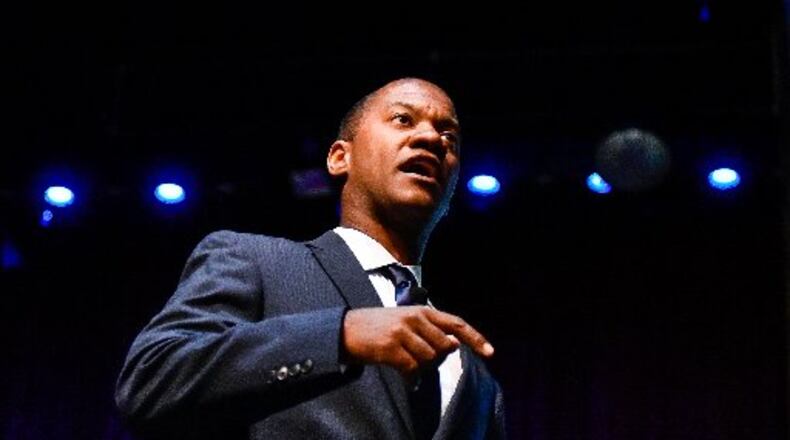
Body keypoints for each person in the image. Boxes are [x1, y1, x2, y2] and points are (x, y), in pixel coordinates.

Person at [115, 77, 506, 439]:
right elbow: (152, 380)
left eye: (449, 137)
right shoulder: (254, 261)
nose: (431, 138)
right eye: (403, 119)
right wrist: (339, 336)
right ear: (340, 158)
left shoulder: (476, 376)